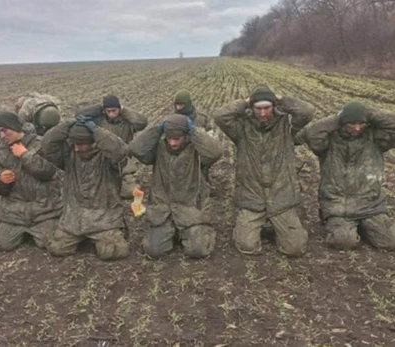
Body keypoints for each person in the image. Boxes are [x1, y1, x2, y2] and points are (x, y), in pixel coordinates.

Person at [214, 85, 315, 257]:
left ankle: (283, 226)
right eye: (258, 108)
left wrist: (281, 99)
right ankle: (254, 224)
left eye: (267, 108)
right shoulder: (241, 129)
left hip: (281, 197)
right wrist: (245, 102)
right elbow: (219, 116)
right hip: (252, 198)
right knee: (246, 246)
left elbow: (307, 111)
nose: (262, 113)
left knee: (295, 249)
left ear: (273, 106)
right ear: (251, 108)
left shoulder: (287, 126)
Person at [297, 102, 395, 250]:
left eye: (361, 124)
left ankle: (365, 226)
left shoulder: (375, 138)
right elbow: (310, 134)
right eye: (351, 124)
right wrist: (339, 116)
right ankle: (339, 224)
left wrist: (367, 112)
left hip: (371, 204)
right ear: (342, 123)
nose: (357, 128)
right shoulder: (328, 141)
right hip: (338, 206)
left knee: (390, 242)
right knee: (343, 242)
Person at [129, 114, 223, 258]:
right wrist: (157, 129)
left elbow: (216, 152)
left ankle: (201, 230)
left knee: (198, 250)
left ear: (186, 136)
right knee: (153, 251)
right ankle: (171, 233)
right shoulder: (158, 149)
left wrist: (194, 131)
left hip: (190, 211)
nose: (173, 143)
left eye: (177, 138)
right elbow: (135, 148)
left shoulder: (197, 151)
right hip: (163, 212)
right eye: (169, 138)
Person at [41, 113, 130, 260]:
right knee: (57, 248)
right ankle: (81, 237)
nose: (76, 148)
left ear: (93, 142)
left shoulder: (108, 158)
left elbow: (121, 150)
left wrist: (96, 130)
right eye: (74, 143)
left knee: (113, 252)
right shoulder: (68, 156)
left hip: (103, 220)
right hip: (74, 220)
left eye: (81, 144)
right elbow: (46, 144)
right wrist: (67, 124)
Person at [0, 111, 63, 251]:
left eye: (5, 130)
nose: (2, 136)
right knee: (1, 243)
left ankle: (40, 230)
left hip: (44, 210)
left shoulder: (42, 145)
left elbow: (49, 173)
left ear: (16, 128)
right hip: (14, 213)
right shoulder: (0, 153)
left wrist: (25, 155)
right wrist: (0, 180)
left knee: (53, 243)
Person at [76, 95, 148, 198]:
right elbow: (78, 115)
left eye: (114, 110)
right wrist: (98, 108)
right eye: (108, 111)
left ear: (119, 109)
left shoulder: (126, 121)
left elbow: (142, 122)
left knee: (129, 192)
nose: (111, 114)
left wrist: (124, 111)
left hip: (123, 163)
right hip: (103, 162)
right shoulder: (99, 121)